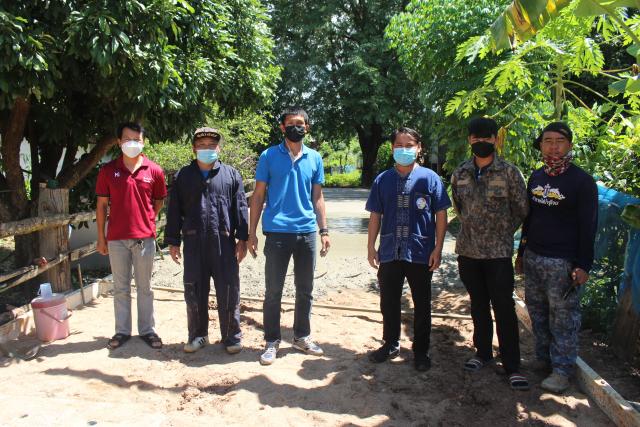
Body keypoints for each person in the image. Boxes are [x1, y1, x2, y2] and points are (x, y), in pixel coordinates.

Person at [515, 122, 597, 393]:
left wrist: (583, 265)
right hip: (534, 257)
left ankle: (562, 371)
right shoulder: (537, 177)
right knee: (537, 313)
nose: (553, 146)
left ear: (569, 145)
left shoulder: (582, 182)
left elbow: (588, 226)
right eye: (547, 141)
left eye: (559, 141)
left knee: (563, 319)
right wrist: (521, 252)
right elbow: (529, 219)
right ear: (541, 145)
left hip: (563, 263)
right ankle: (543, 360)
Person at [450, 117, 530, 390]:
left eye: (487, 137)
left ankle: (512, 365)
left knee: (504, 308)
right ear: (469, 140)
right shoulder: (460, 173)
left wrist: (501, 231)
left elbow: (522, 210)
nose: (481, 142)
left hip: (498, 254)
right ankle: (482, 353)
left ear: (496, 139)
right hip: (468, 252)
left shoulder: (509, 173)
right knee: (478, 305)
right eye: (476, 137)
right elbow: (459, 208)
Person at [248, 106, 330, 365]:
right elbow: (258, 195)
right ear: (282, 127)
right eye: (291, 123)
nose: (296, 127)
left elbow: (318, 197)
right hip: (277, 232)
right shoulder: (269, 156)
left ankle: (301, 336)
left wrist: (324, 230)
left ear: (307, 127)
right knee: (273, 291)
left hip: (306, 232)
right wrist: (251, 233)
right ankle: (272, 341)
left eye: (300, 124)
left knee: (305, 289)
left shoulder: (315, 158)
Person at [365, 127, 451, 372]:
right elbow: (375, 215)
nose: (404, 149)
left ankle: (421, 351)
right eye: (399, 145)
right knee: (388, 301)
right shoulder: (382, 180)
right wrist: (371, 246)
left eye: (409, 145)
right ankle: (390, 344)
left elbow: (441, 214)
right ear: (392, 148)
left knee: (422, 304)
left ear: (419, 147)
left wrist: (438, 247)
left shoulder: (430, 179)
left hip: (421, 252)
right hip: (390, 251)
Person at [165, 127, 248, 354]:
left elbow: (241, 207)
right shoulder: (183, 176)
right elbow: (174, 210)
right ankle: (198, 335)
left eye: (212, 145)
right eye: (202, 146)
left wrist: (242, 239)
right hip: (193, 243)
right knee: (194, 290)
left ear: (219, 148)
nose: (207, 149)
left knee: (229, 290)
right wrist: (173, 241)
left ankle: (231, 337)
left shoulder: (231, 175)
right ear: (194, 148)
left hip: (224, 243)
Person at [96, 122, 167, 350]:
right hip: (116, 239)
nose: (132, 143)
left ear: (144, 142)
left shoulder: (154, 170)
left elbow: (158, 202)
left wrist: (146, 220)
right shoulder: (108, 171)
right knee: (121, 288)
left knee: (145, 287)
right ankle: (122, 331)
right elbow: (101, 205)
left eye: (137, 139)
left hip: (144, 238)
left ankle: (147, 330)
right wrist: (101, 237)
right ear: (119, 142)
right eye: (127, 139)